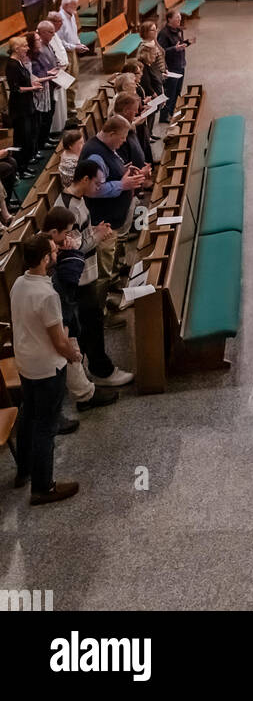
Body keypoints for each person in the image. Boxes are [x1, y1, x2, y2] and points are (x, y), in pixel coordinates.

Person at [9, 231, 80, 504]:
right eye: (52, 251)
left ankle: (24, 470)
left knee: (28, 415)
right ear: (43, 259)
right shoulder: (47, 294)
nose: (56, 254)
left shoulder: (18, 283)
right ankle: (42, 487)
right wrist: (73, 355)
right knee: (45, 426)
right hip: (48, 367)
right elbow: (58, 341)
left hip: (26, 362)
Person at [61, 159, 134, 389]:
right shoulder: (67, 208)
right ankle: (102, 371)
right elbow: (74, 247)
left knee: (90, 324)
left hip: (87, 274)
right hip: (79, 278)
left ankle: (91, 367)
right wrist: (98, 235)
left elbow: (81, 235)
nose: (99, 187)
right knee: (92, 324)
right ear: (85, 179)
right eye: (97, 183)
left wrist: (95, 231)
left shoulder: (79, 200)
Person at [42, 206, 119, 414]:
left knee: (74, 344)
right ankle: (84, 396)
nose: (69, 237)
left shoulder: (51, 246)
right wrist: (72, 252)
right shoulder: (45, 254)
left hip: (59, 309)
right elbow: (70, 278)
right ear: (53, 233)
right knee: (71, 350)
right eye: (66, 233)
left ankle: (85, 388)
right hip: (54, 311)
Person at [80, 117, 150, 281]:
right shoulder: (95, 155)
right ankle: (109, 293)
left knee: (116, 250)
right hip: (104, 219)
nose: (124, 141)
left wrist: (124, 172)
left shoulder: (106, 147)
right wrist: (122, 184)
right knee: (106, 265)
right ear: (112, 134)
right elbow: (92, 190)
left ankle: (117, 274)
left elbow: (106, 175)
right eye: (122, 137)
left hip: (116, 215)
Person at [5, 35, 42, 170]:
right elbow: (15, 89)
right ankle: (20, 168)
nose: (27, 48)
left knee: (29, 136)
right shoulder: (11, 65)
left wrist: (33, 83)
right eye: (25, 46)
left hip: (27, 105)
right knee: (21, 138)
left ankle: (26, 163)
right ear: (16, 48)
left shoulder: (19, 62)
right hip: (19, 108)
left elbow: (23, 81)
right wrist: (33, 88)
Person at [36, 19, 69, 135]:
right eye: (51, 32)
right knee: (45, 115)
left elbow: (54, 59)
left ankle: (46, 138)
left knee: (51, 112)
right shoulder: (38, 48)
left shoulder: (48, 45)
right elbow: (37, 68)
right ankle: (42, 142)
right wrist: (50, 72)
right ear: (43, 32)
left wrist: (58, 65)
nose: (54, 34)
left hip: (53, 83)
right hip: (45, 85)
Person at [27, 29, 57, 153]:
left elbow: (43, 70)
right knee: (40, 119)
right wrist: (49, 76)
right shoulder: (30, 58)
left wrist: (49, 72)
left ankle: (45, 138)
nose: (40, 41)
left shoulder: (39, 53)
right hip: (38, 93)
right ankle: (39, 144)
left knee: (50, 113)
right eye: (37, 40)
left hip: (46, 88)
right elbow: (35, 76)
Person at [157, 10, 189, 123]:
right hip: (170, 67)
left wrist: (185, 43)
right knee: (170, 92)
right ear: (169, 19)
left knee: (177, 91)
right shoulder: (164, 33)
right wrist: (175, 49)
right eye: (177, 18)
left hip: (180, 64)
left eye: (180, 18)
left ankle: (172, 112)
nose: (179, 20)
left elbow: (178, 44)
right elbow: (161, 51)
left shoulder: (179, 30)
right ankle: (164, 116)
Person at [57, 0, 89, 77]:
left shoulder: (72, 15)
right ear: (66, 5)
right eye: (74, 5)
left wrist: (78, 44)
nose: (76, 7)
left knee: (74, 76)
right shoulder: (60, 19)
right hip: (64, 53)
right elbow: (60, 41)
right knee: (68, 78)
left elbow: (74, 32)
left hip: (72, 50)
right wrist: (74, 47)